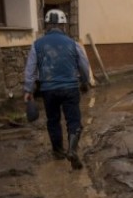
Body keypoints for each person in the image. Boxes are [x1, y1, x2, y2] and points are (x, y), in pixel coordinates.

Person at [23, 9, 91, 169]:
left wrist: (28, 90)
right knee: (73, 120)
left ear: (47, 26)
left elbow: (30, 69)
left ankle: (58, 151)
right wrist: (85, 81)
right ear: (63, 25)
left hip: (48, 90)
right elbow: (84, 65)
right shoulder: (73, 44)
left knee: (53, 120)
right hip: (70, 88)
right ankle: (72, 150)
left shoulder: (37, 45)